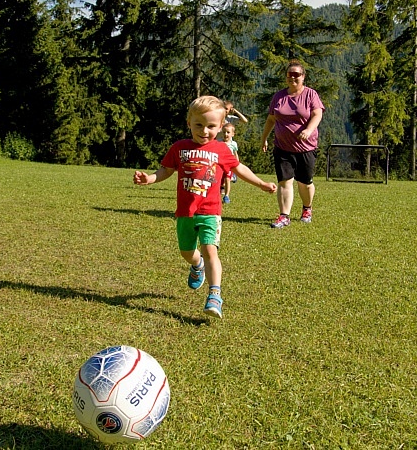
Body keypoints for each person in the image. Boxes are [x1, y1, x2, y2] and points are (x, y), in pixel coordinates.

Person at [133, 96, 277, 318]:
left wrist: (261, 184)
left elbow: (239, 169)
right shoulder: (179, 148)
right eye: (198, 125)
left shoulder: (221, 150)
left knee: (210, 250)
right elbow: (166, 170)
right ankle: (196, 264)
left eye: (211, 126)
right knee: (186, 252)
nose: (204, 131)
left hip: (210, 211)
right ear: (189, 122)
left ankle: (214, 295)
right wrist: (150, 179)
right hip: (185, 213)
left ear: (220, 127)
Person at [261, 59, 324, 228]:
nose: (293, 78)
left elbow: (317, 114)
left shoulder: (311, 94)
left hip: (306, 148)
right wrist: (264, 138)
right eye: (290, 75)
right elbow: (271, 119)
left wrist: (309, 130)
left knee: (304, 182)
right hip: (282, 147)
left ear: (303, 77)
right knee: (285, 181)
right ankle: (284, 216)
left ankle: (307, 208)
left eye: (296, 75)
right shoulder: (279, 96)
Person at [220, 122, 239, 204]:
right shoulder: (219, 143)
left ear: (233, 134)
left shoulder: (233, 144)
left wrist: (237, 165)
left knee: (227, 179)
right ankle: (219, 191)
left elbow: (235, 154)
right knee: (220, 180)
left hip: (229, 165)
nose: (225, 134)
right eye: (224, 132)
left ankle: (226, 196)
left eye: (228, 132)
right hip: (220, 165)